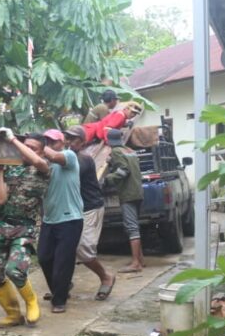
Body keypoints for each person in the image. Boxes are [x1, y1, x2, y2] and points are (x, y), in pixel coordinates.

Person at [0, 129, 51, 328]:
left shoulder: (43, 168)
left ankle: (31, 302)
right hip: (2, 226)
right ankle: (13, 314)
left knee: (15, 270)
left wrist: (13, 139)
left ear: (41, 152)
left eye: (32, 148)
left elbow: (39, 163)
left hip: (25, 228)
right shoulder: (12, 168)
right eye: (26, 146)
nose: (26, 151)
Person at [64, 126, 116, 300]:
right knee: (65, 247)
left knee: (83, 248)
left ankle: (105, 277)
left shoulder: (84, 160)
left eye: (74, 139)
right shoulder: (64, 158)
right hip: (72, 210)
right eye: (67, 138)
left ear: (83, 143)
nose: (69, 142)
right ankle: (63, 284)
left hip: (89, 208)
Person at [37, 129, 84, 314]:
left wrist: (39, 146)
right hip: (49, 219)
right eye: (45, 140)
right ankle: (61, 288)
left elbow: (56, 156)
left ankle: (59, 299)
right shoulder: (42, 163)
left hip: (70, 218)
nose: (48, 144)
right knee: (44, 257)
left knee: (62, 262)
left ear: (62, 142)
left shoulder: (69, 156)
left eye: (51, 141)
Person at [104, 128, 145, 273]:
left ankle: (135, 264)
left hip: (128, 193)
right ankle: (140, 259)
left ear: (108, 140)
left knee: (131, 227)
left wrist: (107, 179)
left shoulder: (116, 152)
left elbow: (123, 170)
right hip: (138, 192)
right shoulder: (128, 150)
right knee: (135, 226)